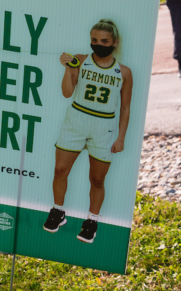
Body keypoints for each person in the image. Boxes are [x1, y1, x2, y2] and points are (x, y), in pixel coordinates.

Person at [43, 19, 133, 244]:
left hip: (104, 126)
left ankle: (91, 221)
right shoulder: (80, 61)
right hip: (76, 120)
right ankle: (58, 211)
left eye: (104, 40)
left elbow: (125, 108)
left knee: (97, 179)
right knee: (60, 170)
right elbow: (66, 93)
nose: (98, 44)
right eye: (94, 40)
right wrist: (68, 69)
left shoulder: (124, 72)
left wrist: (121, 137)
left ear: (114, 42)